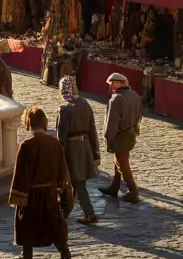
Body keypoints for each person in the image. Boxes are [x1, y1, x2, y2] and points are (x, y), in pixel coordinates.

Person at [8, 106, 72, 259]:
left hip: (31, 194)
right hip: (49, 192)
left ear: (29, 124)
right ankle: (65, 255)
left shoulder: (26, 145)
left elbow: (21, 174)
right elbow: (62, 169)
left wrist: (18, 197)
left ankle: (27, 257)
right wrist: (61, 189)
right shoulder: (54, 143)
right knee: (53, 223)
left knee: (26, 223)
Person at [56, 75, 100, 224]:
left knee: (76, 182)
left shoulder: (64, 109)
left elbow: (61, 137)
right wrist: (95, 153)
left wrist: (59, 157)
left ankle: (89, 213)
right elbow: (92, 130)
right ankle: (70, 209)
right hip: (85, 146)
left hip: (71, 150)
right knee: (78, 181)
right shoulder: (85, 104)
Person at [99, 73, 142, 203]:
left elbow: (112, 123)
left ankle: (133, 192)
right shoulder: (134, 95)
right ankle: (114, 187)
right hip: (131, 133)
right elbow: (139, 115)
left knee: (123, 164)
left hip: (121, 135)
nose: (111, 86)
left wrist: (109, 139)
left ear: (120, 83)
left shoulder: (116, 99)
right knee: (118, 161)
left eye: (113, 83)